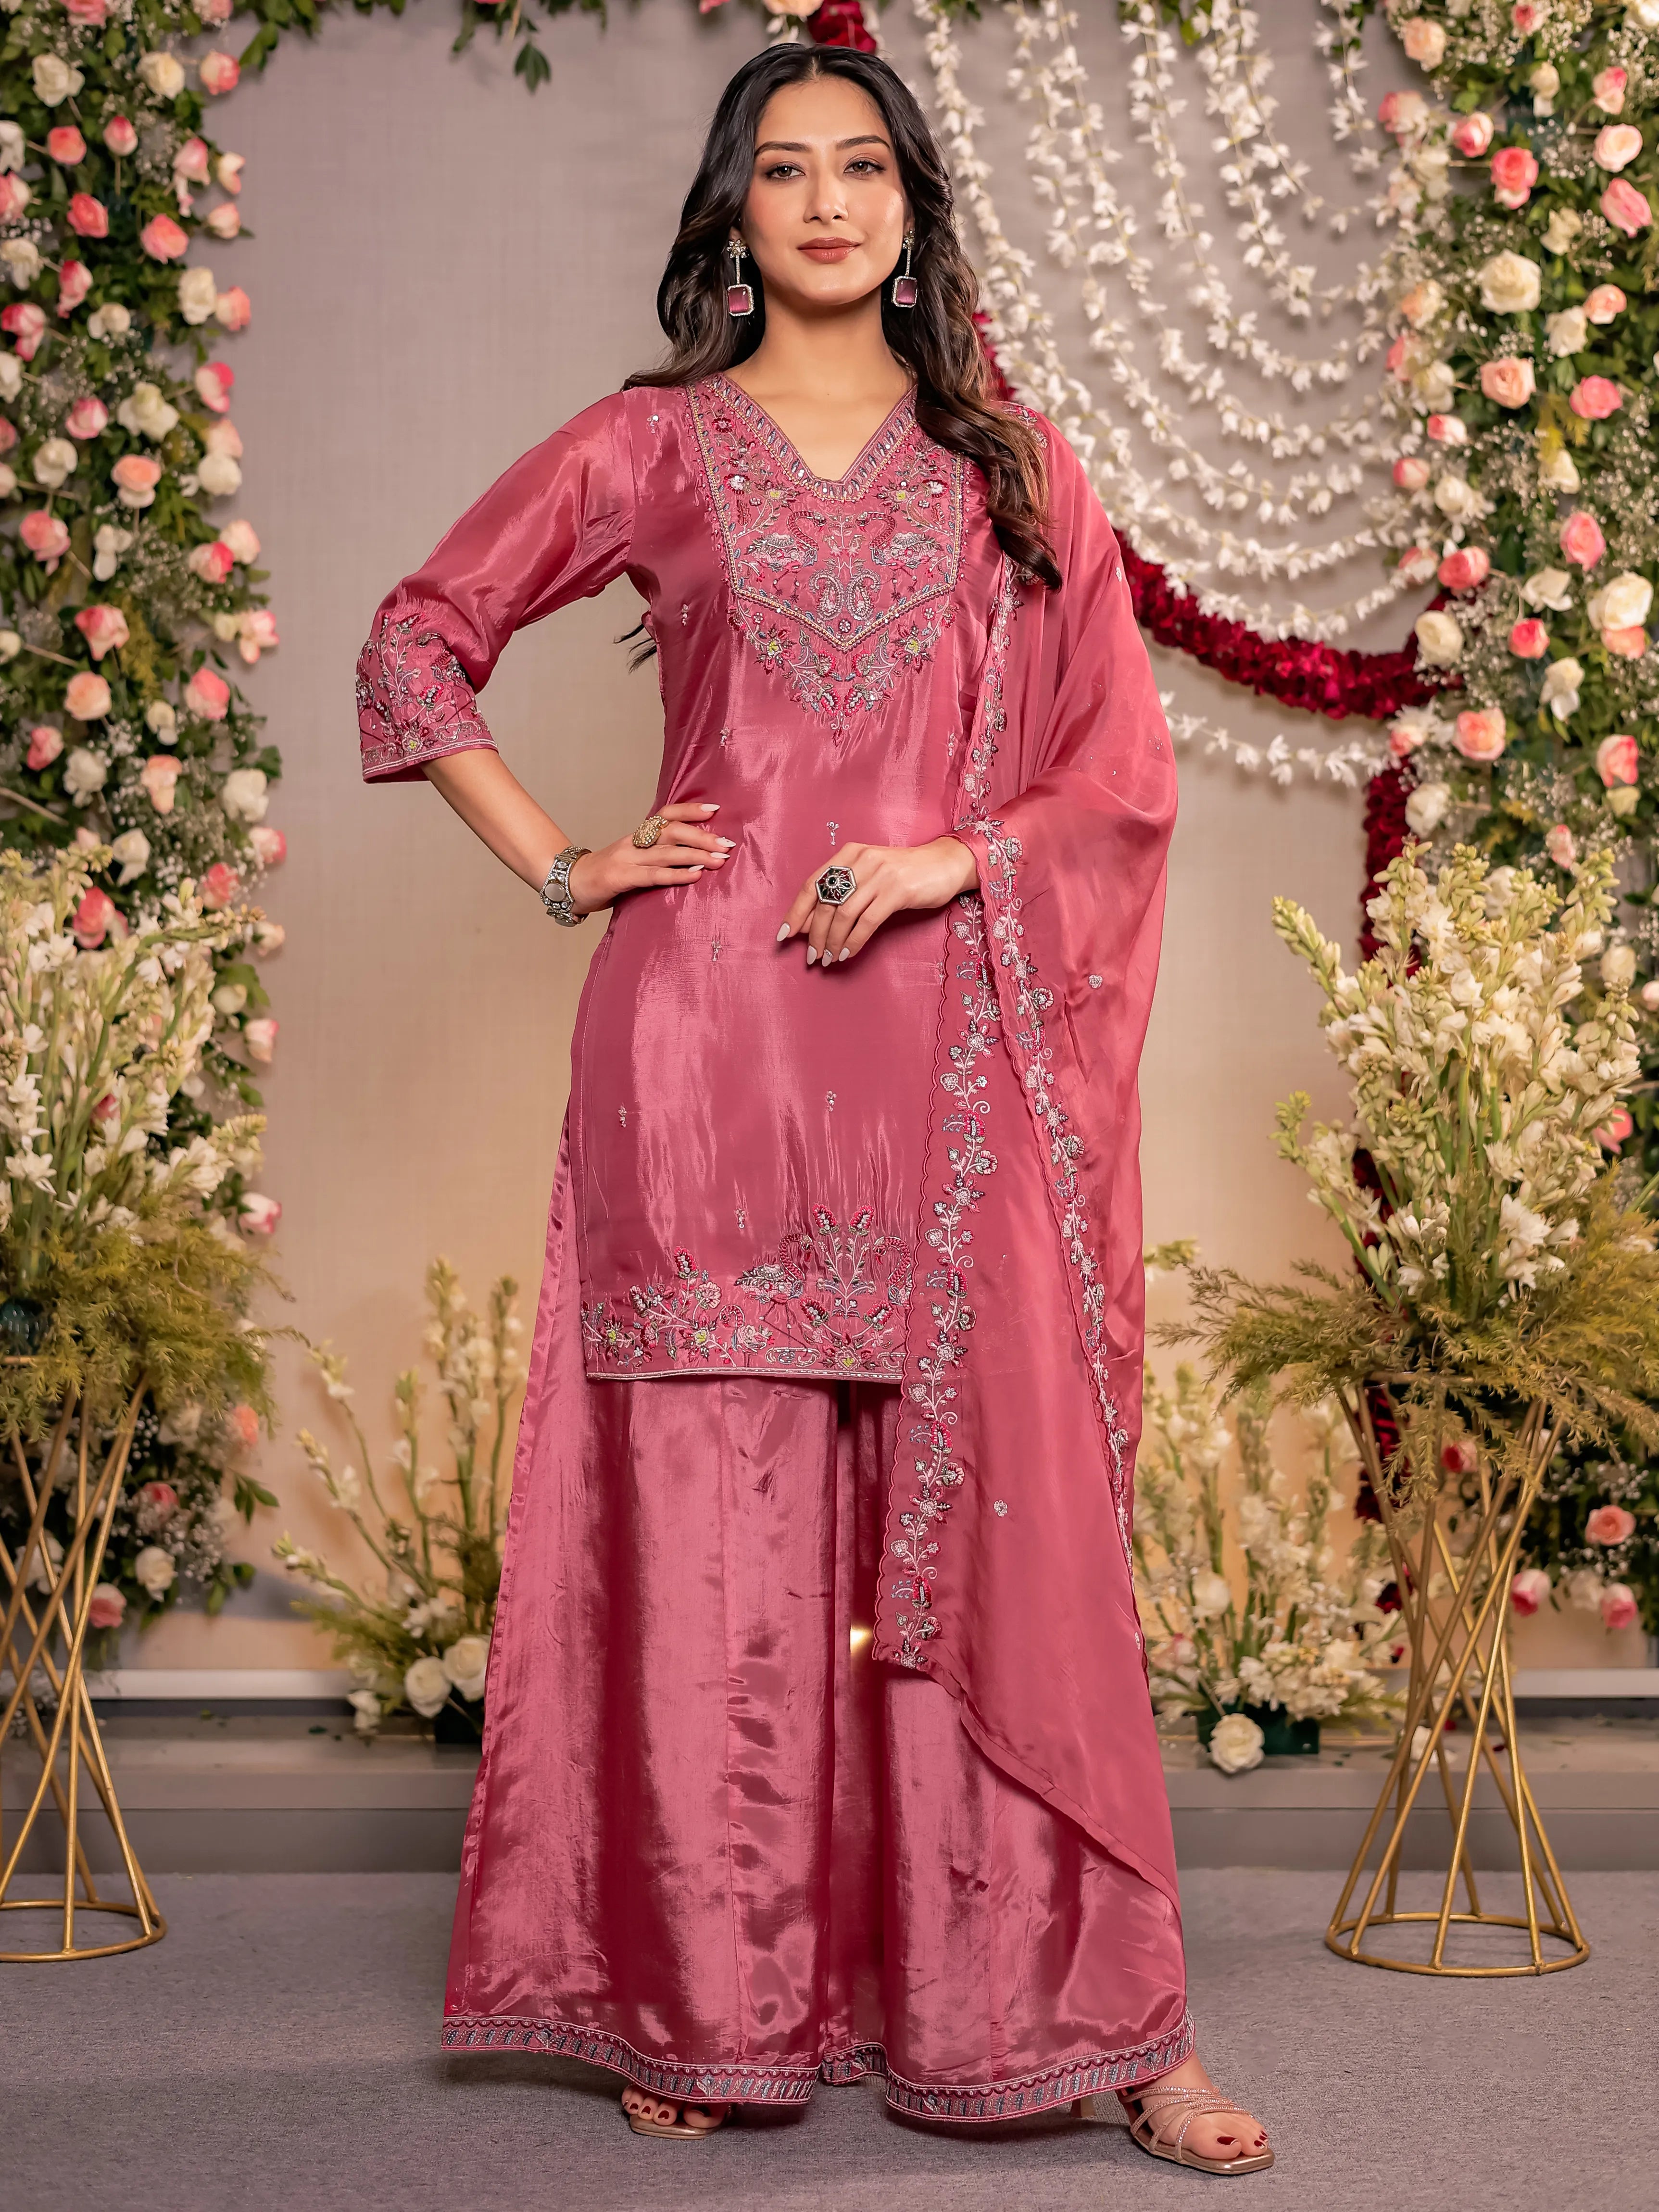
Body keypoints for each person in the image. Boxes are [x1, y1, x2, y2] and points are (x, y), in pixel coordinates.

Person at [355, 41, 1270, 2177]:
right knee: (718, 1544)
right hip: (704, 1058)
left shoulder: (1019, 470)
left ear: (914, 210)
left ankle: (1088, 2013)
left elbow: (1116, 775)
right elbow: (419, 643)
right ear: (730, 212)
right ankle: (707, 1993)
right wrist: (570, 859)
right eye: (784, 171)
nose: (828, 202)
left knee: (995, 1527)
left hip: (951, 1064)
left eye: (865, 167)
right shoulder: (653, 447)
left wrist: (969, 856)